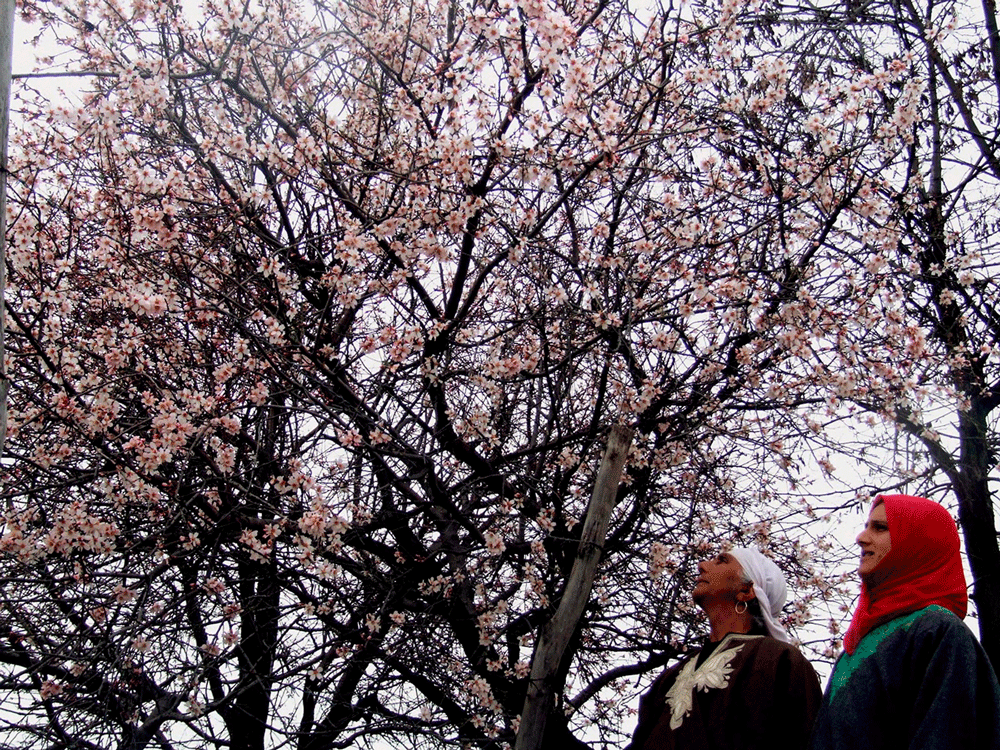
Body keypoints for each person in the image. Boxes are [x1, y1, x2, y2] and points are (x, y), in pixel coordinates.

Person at [810, 494, 1000, 750]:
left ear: (918, 542)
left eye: (880, 528)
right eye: (867, 526)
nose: (861, 538)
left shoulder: (937, 632)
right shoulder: (856, 648)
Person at [629, 546, 822, 750]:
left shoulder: (781, 660)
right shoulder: (670, 678)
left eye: (721, 560)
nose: (702, 565)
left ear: (746, 591)